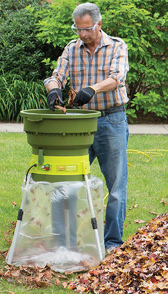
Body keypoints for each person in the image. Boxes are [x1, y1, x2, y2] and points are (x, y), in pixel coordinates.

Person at [44, 2, 129, 252]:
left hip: (111, 120)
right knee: (65, 181)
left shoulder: (117, 46)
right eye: (78, 29)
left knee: (115, 187)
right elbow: (55, 75)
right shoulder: (72, 49)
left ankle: (112, 244)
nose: (82, 35)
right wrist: (54, 90)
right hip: (80, 124)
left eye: (87, 29)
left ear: (99, 24)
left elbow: (117, 77)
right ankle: (64, 240)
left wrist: (92, 89)